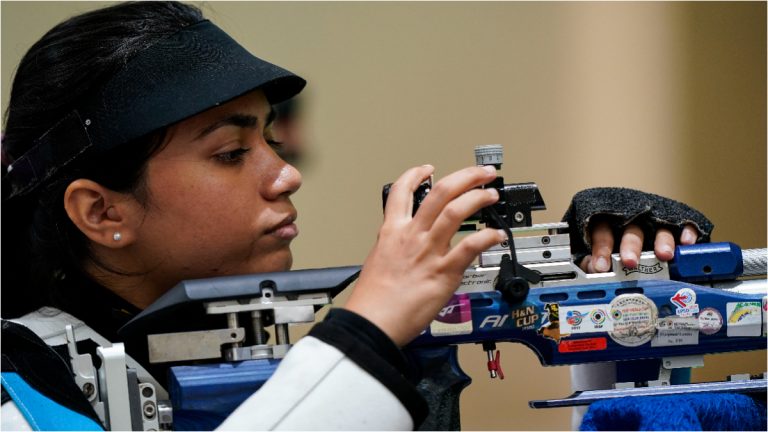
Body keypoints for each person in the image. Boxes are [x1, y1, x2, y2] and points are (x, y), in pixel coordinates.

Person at [0, 2, 707, 430]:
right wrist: (367, 330)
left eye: (270, 139)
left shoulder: (257, 361)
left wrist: (617, 329)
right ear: (101, 212)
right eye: (230, 151)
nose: (286, 174)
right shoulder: (17, 400)